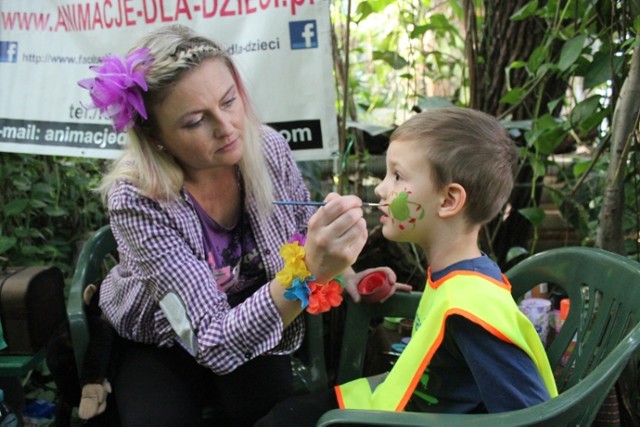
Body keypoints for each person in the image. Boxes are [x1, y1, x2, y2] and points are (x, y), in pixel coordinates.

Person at [77, 24, 403, 426]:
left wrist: (344, 273)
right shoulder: (137, 197)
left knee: (271, 417)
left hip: (257, 311)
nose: (227, 126)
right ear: (156, 136)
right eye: (196, 121)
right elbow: (210, 341)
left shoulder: (266, 148)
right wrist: (309, 273)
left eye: (229, 100)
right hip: (161, 338)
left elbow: (301, 226)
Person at [256, 107, 558, 426]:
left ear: (448, 201)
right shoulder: (454, 275)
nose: (381, 189)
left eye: (397, 176)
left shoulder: (470, 311)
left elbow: (531, 415)